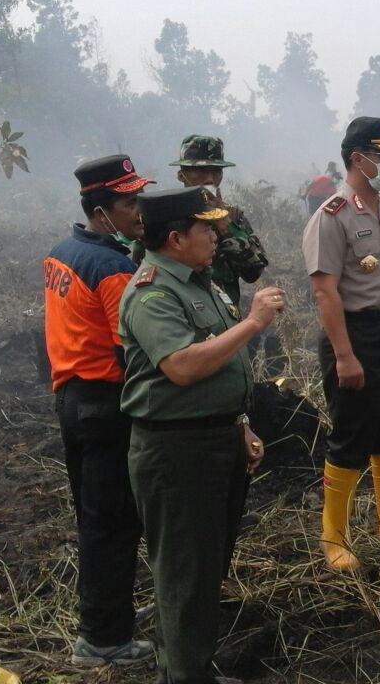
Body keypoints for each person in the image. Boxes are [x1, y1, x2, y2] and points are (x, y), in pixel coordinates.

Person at [119, 186, 285, 683]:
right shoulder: (153, 293)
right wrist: (254, 321)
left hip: (215, 442)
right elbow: (183, 367)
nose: (216, 236)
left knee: (205, 568)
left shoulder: (199, 281)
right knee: (185, 576)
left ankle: (193, 670)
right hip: (176, 452)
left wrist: (240, 424)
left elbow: (220, 362)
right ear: (175, 237)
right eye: (206, 229)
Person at [43, 155, 156, 667]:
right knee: (113, 523)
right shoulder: (112, 267)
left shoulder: (64, 251)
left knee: (94, 519)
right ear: (102, 209)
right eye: (129, 202)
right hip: (106, 406)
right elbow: (128, 351)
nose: (138, 210)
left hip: (72, 401)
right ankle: (104, 640)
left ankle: (100, 621)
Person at [302, 116, 380, 572]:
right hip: (356, 335)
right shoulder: (330, 217)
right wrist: (344, 355)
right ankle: (334, 536)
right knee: (352, 434)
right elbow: (324, 292)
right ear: (358, 159)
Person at [166, 134, 269, 306]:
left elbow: (253, 273)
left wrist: (225, 227)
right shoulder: (165, 217)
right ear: (181, 175)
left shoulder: (233, 216)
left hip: (226, 320)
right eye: (200, 171)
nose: (209, 179)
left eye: (216, 171)